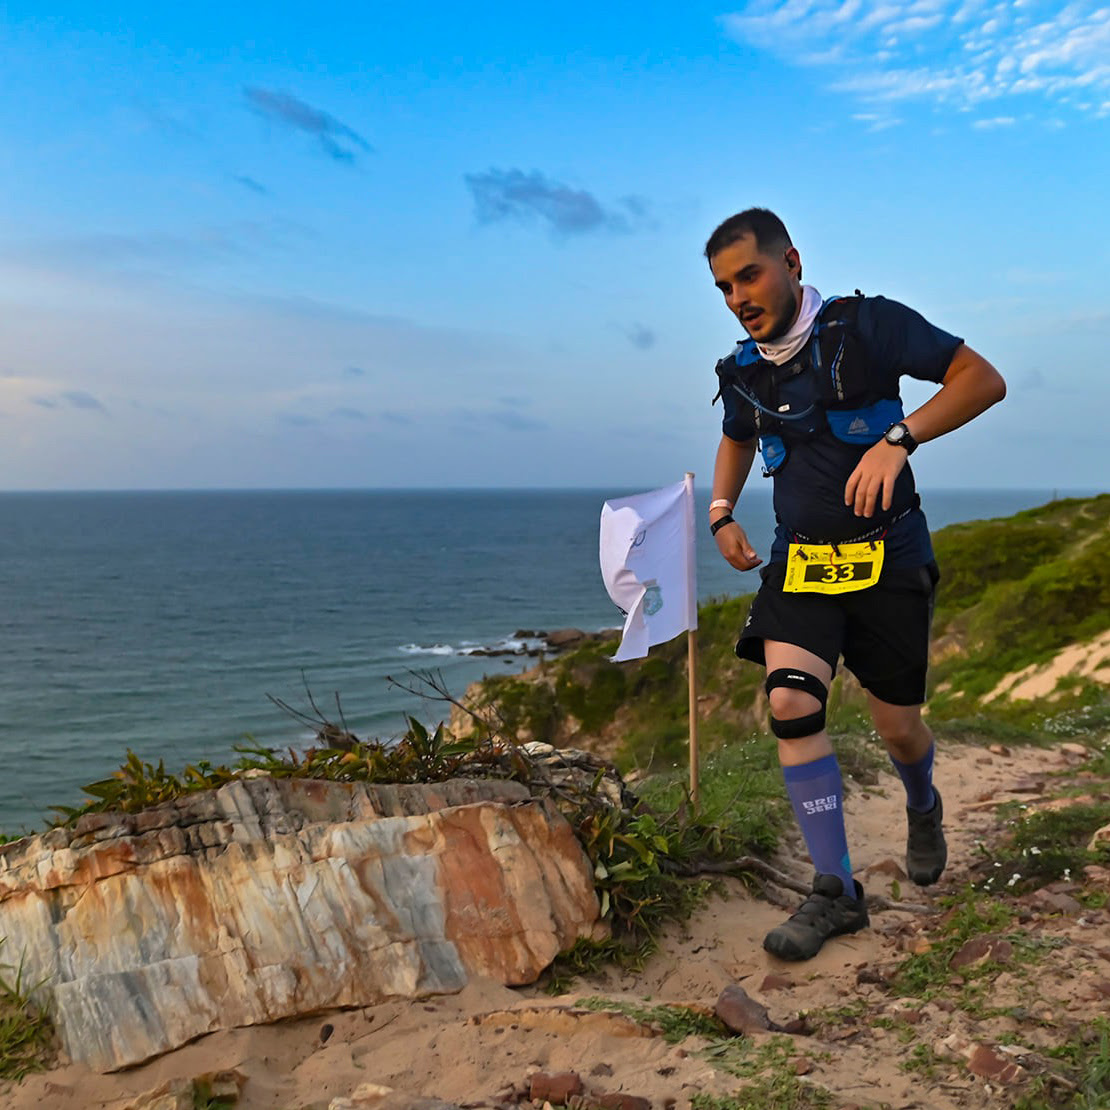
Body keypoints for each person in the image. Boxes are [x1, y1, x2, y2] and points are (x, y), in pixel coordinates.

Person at [705, 208, 1005, 961]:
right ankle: (835, 889)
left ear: (791, 262)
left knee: (898, 726)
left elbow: (983, 379)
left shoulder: (867, 326)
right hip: (800, 564)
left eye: (749, 274)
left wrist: (898, 441)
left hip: (889, 559)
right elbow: (736, 438)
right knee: (791, 701)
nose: (739, 295)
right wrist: (720, 513)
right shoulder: (744, 369)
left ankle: (923, 800)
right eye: (723, 287)